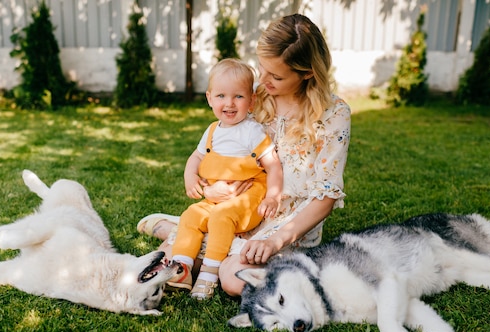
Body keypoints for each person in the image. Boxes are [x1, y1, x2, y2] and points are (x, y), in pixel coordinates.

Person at [137, 13, 350, 297]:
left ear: (308, 73)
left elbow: (327, 194)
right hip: (239, 207)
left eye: (275, 76)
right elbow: (223, 147)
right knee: (174, 259)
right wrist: (212, 187)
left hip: (288, 222)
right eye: (261, 68)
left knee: (234, 280)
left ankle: (174, 229)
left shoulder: (334, 114)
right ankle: (187, 234)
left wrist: (275, 242)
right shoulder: (255, 97)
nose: (262, 80)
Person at [162, 58, 283, 300]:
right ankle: (182, 267)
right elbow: (195, 157)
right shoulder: (212, 131)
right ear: (209, 99)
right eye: (221, 96)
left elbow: (273, 165)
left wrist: (272, 196)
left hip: (248, 198)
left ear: (251, 100)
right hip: (217, 197)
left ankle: (210, 272)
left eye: (238, 96)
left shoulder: (252, 131)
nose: (229, 103)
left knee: (220, 218)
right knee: (191, 216)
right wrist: (190, 176)